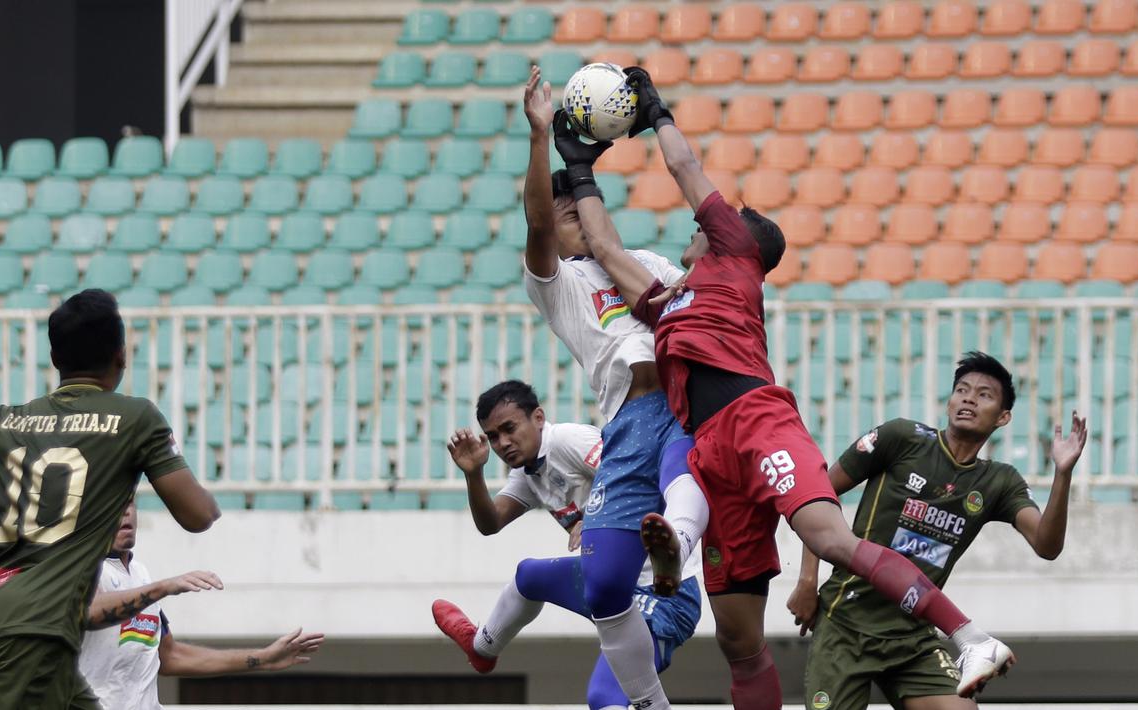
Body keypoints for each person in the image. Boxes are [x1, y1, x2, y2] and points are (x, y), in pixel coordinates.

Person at [552, 67, 1017, 708]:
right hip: (712, 450)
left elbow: (687, 169)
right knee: (738, 641)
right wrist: (579, 169)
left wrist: (657, 112)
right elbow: (602, 245)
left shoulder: (735, 256)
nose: (703, 221)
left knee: (828, 538)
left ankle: (970, 636)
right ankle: (677, 549)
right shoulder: (671, 302)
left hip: (758, 419)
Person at [519, 65, 710, 710]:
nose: (573, 216)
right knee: (603, 588)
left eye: (581, 207)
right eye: (565, 214)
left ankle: (678, 554)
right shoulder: (562, 285)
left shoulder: (649, 264)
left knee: (693, 478)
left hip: (686, 404)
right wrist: (543, 137)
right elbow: (540, 227)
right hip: (628, 417)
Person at [0, 289, 221, 710]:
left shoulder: (3, 420)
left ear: (55, 359)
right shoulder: (136, 418)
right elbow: (199, 516)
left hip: (3, 612)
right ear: (121, 356)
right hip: (37, 624)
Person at [788, 353, 1087, 709]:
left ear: (1004, 417)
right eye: (962, 390)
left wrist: (1063, 474)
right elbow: (818, 494)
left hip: (911, 636)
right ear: (949, 401)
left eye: (984, 395)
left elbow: (1047, 545)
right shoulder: (901, 438)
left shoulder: (999, 481)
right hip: (845, 624)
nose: (969, 399)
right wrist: (807, 581)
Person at [431, 380, 701, 710]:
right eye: (493, 436)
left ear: (539, 418)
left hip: (661, 592)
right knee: (528, 576)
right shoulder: (527, 472)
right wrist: (474, 475)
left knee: (605, 698)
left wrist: (596, 521)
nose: (503, 443)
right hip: (609, 584)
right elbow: (490, 523)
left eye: (509, 428)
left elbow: (635, 477)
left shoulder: (569, 441)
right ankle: (482, 648)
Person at [79, 500, 324, 709]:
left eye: (130, 501)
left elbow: (170, 656)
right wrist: (163, 588)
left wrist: (263, 658)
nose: (126, 511)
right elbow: (91, 610)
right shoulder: (80, 569)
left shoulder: (140, 573)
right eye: (115, 501)